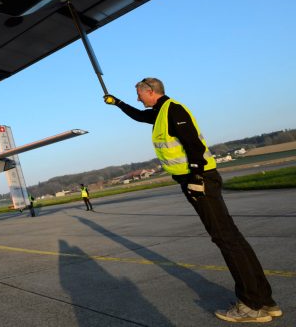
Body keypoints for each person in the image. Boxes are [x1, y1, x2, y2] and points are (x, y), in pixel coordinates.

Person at [105, 78, 281, 323]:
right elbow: (138, 116)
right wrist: (117, 103)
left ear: (150, 92)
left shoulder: (173, 109)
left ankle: (252, 305)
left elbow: (194, 145)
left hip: (200, 181)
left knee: (227, 240)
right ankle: (265, 301)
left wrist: (196, 179)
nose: (137, 99)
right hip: (198, 181)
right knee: (232, 238)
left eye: (138, 95)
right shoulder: (159, 113)